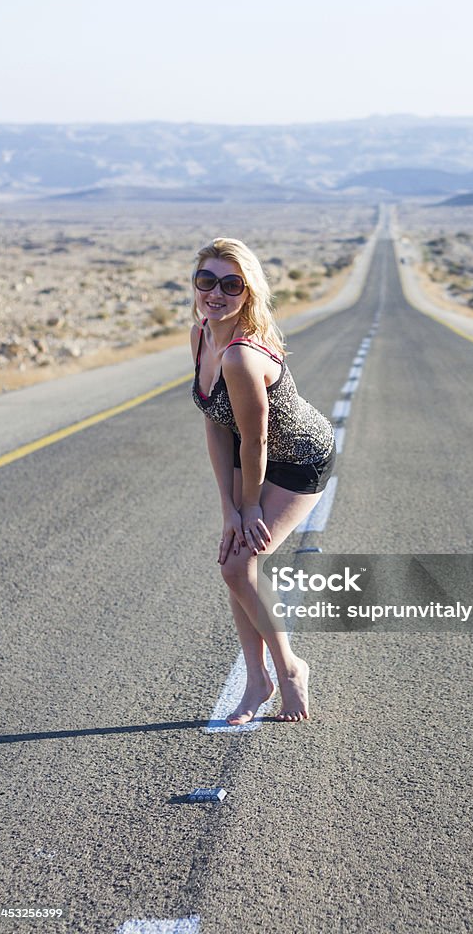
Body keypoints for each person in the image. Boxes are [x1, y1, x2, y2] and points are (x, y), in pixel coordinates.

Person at [190, 237, 336, 724]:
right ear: (195, 284)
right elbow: (215, 421)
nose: (217, 292)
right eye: (207, 280)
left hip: (298, 457)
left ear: (248, 292)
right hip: (251, 453)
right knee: (234, 560)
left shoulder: (240, 356)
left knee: (238, 567)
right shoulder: (201, 336)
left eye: (232, 284)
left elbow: (256, 443)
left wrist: (249, 507)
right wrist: (227, 510)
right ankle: (258, 681)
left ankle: (289, 669)